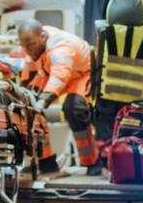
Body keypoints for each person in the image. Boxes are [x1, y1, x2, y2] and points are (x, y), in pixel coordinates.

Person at [17, 19, 103, 176]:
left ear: (43, 37)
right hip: (51, 73)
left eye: (30, 45)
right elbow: (28, 75)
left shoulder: (62, 49)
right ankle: (45, 162)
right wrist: (22, 96)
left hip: (81, 74)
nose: (28, 50)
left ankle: (93, 162)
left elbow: (59, 78)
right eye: (24, 46)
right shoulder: (34, 42)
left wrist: (42, 102)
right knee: (29, 108)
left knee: (74, 109)